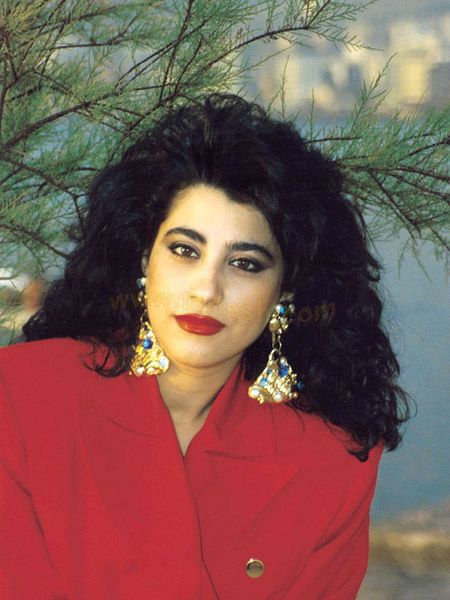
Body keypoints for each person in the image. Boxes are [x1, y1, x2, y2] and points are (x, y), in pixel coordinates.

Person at [0, 94, 408, 599]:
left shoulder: (333, 460)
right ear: (144, 257)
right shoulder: (21, 396)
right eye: (184, 250)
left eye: (245, 263)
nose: (207, 289)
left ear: (286, 290)